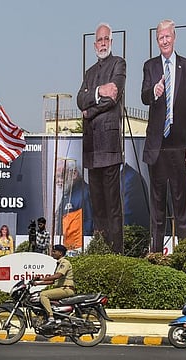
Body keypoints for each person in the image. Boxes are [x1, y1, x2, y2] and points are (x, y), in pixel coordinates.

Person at [141, 19, 186, 253]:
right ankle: (155, 255)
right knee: (157, 209)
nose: (164, 41)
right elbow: (144, 97)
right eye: (160, 38)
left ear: (174, 37)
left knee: (181, 207)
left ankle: (184, 255)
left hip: (179, 145)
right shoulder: (150, 66)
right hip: (157, 146)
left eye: (167, 37)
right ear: (157, 41)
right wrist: (153, 92)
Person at [77, 22, 126, 254]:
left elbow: (113, 99)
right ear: (94, 44)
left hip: (109, 146)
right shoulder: (89, 72)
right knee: (97, 206)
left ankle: (116, 252)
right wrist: (99, 91)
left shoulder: (119, 64)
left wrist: (90, 108)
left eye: (106, 39)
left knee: (112, 206)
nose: (103, 43)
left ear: (111, 42)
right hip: (91, 148)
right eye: (99, 40)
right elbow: (79, 99)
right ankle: (100, 251)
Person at [55, 158, 93, 249]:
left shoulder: (85, 194)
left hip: (79, 249)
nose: (58, 181)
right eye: (56, 177)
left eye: (61, 176)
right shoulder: (67, 194)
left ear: (74, 174)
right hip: (67, 248)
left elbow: (89, 225)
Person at [33, 244, 75, 327]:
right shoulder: (59, 264)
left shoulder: (65, 263)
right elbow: (53, 281)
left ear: (60, 253)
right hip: (62, 289)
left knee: (43, 295)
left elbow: (58, 276)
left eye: (54, 251)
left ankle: (51, 317)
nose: (52, 253)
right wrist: (37, 283)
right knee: (39, 293)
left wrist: (42, 279)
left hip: (66, 289)